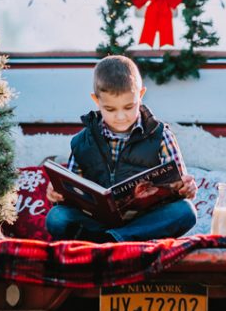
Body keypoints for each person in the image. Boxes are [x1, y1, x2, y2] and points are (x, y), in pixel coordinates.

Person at [44, 55, 198, 242]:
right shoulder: (83, 141)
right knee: (57, 217)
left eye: (129, 107)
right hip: (97, 222)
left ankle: (111, 240)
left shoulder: (160, 135)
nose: (120, 116)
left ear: (140, 95)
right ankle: (115, 239)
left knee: (185, 211)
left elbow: (178, 185)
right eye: (110, 109)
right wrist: (58, 194)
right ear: (96, 100)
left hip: (145, 221)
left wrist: (186, 188)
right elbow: (72, 192)